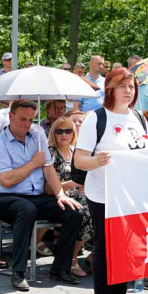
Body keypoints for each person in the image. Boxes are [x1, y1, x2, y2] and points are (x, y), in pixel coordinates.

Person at [75, 68, 148, 294]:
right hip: (103, 195)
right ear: (110, 89)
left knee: (125, 248)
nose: (128, 91)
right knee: (104, 248)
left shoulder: (138, 117)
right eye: (123, 86)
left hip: (131, 195)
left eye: (132, 87)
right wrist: (98, 161)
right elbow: (80, 160)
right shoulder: (96, 118)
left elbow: (142, 152)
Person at [0, 101, 83, 291]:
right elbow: (6, 180)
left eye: (31, 120)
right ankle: (18, 272)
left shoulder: (38, 135)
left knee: (74, 211)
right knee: (26, 209)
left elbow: (48, 169)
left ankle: (61, 268)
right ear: (11, 117)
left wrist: (60, 194)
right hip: (7, 198)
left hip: (37, 197)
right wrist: (33, 163)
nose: (27, 124)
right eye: (22, 119)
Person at [48, 116, 92, 277]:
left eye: (68, 131)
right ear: (53, 133)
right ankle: (72, 259)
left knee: (101, 208)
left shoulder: (76, 152)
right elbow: (48, 188)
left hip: (80, 195)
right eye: (59, 131)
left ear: (73, 133)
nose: (64, 134)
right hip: (58, 197)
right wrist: (75, 183)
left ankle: (93, 256)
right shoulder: (50, 153)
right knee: (85, 212)